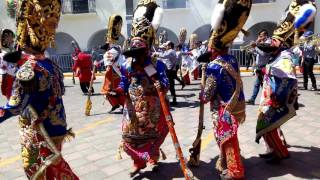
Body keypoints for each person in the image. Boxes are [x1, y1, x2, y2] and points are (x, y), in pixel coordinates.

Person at [0, 0, 79, 179]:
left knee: (37, 168)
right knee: (53, 167)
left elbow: (15, 106)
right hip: (57, 124)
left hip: (40, 129)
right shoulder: (49, 62)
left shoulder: (28, 70)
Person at [255, 0, 316, 164]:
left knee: (267, 120)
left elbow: (287, 81)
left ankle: (280, 152)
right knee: (268, 122)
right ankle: (274, 149)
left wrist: (276, 100)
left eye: (273, 42)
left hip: (275, 99)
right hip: (270, 97)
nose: (270, 44)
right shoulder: (277, 56)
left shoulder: (284, 58)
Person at [114, 0, 169, 177]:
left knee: (154, 134)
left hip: (153, 108)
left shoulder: (156, 64)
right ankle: (138, 162)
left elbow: (166, 83)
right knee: (130, 137)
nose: (136, 56)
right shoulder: (127, 65)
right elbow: (124, 80)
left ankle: (152, 157)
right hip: (132, 109)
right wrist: (121, 88)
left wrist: (160, 85)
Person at [200, 1, 252, 179]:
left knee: (227, 138)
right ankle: (227, 162)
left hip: (223, 109)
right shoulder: (232, 59)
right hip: (238, 105)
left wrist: (202, 89)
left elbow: (206, 96)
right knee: (230, 137)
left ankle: (234, 171)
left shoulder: (213, 67)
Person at [98, 14, 125, 113]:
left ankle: (119, 104)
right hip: (122, 72)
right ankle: (119, 104)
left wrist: (106, 83)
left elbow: (108, 68)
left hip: (117, 75)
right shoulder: (119, 48)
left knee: (109, 91)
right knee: (118, 91)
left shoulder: (109, 53)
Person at [246, 30, 272, 105]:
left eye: (261, 36)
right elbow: (254, 52)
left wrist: (256, 47)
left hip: (265, 66)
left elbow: (263, 53)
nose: (260, 37)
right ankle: (253, 99)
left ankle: (268, 99)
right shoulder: (261, 42)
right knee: (258, 84)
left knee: (265, 85)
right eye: (259, 36)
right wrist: (255, 45)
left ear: (266, 35)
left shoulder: (268, 43)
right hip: (259, 66)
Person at [157, 41, 184, 105]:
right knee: (170, 86)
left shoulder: (171, 51)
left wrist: (157, 54)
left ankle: (174, 101)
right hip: (169, 70)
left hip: (170, 71)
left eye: (166, 45)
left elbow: (164, 56)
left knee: (171, 86)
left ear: (169, 46)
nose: (166, 47)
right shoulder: (170, 51)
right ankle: (172, 100)